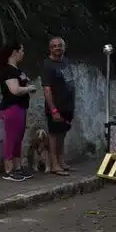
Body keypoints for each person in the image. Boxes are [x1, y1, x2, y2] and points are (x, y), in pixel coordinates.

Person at [0, 43, 35, 182]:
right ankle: (8, 170)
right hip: (11, 108)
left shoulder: (17, 70)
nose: (23, 53)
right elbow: (14, 90)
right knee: (11, 138)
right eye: (22, 50)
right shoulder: (8, 71)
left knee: (18, 138)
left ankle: (18, 167)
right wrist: (29, 88)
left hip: (20, 107)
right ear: (15, 52)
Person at [42, 36, 75, 176]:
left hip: (68, 106)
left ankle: (61, 161)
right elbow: (47, 89)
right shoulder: (48, 65)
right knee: (54, 135)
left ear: (64, 47)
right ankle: (54, 164)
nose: (57, 48)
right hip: (56, 107)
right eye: (54, 46)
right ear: (50, 49)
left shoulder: (66, 62)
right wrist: (53, 109)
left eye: (60, 45)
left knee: (63, 134)